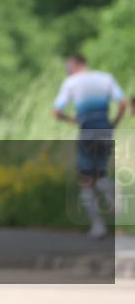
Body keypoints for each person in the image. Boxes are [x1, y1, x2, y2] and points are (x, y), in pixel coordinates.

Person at [53, 53, 126, 239]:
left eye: (68, 66)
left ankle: (98, 226)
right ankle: (122, 222)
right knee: (102, 174)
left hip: (87, 131)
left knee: (86, 179)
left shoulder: (71, 83)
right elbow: (122, 102)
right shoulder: (105, 78)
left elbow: (56, 111)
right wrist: (113, 123)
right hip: (105, 130)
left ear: (76, 64)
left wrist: (74, 119)